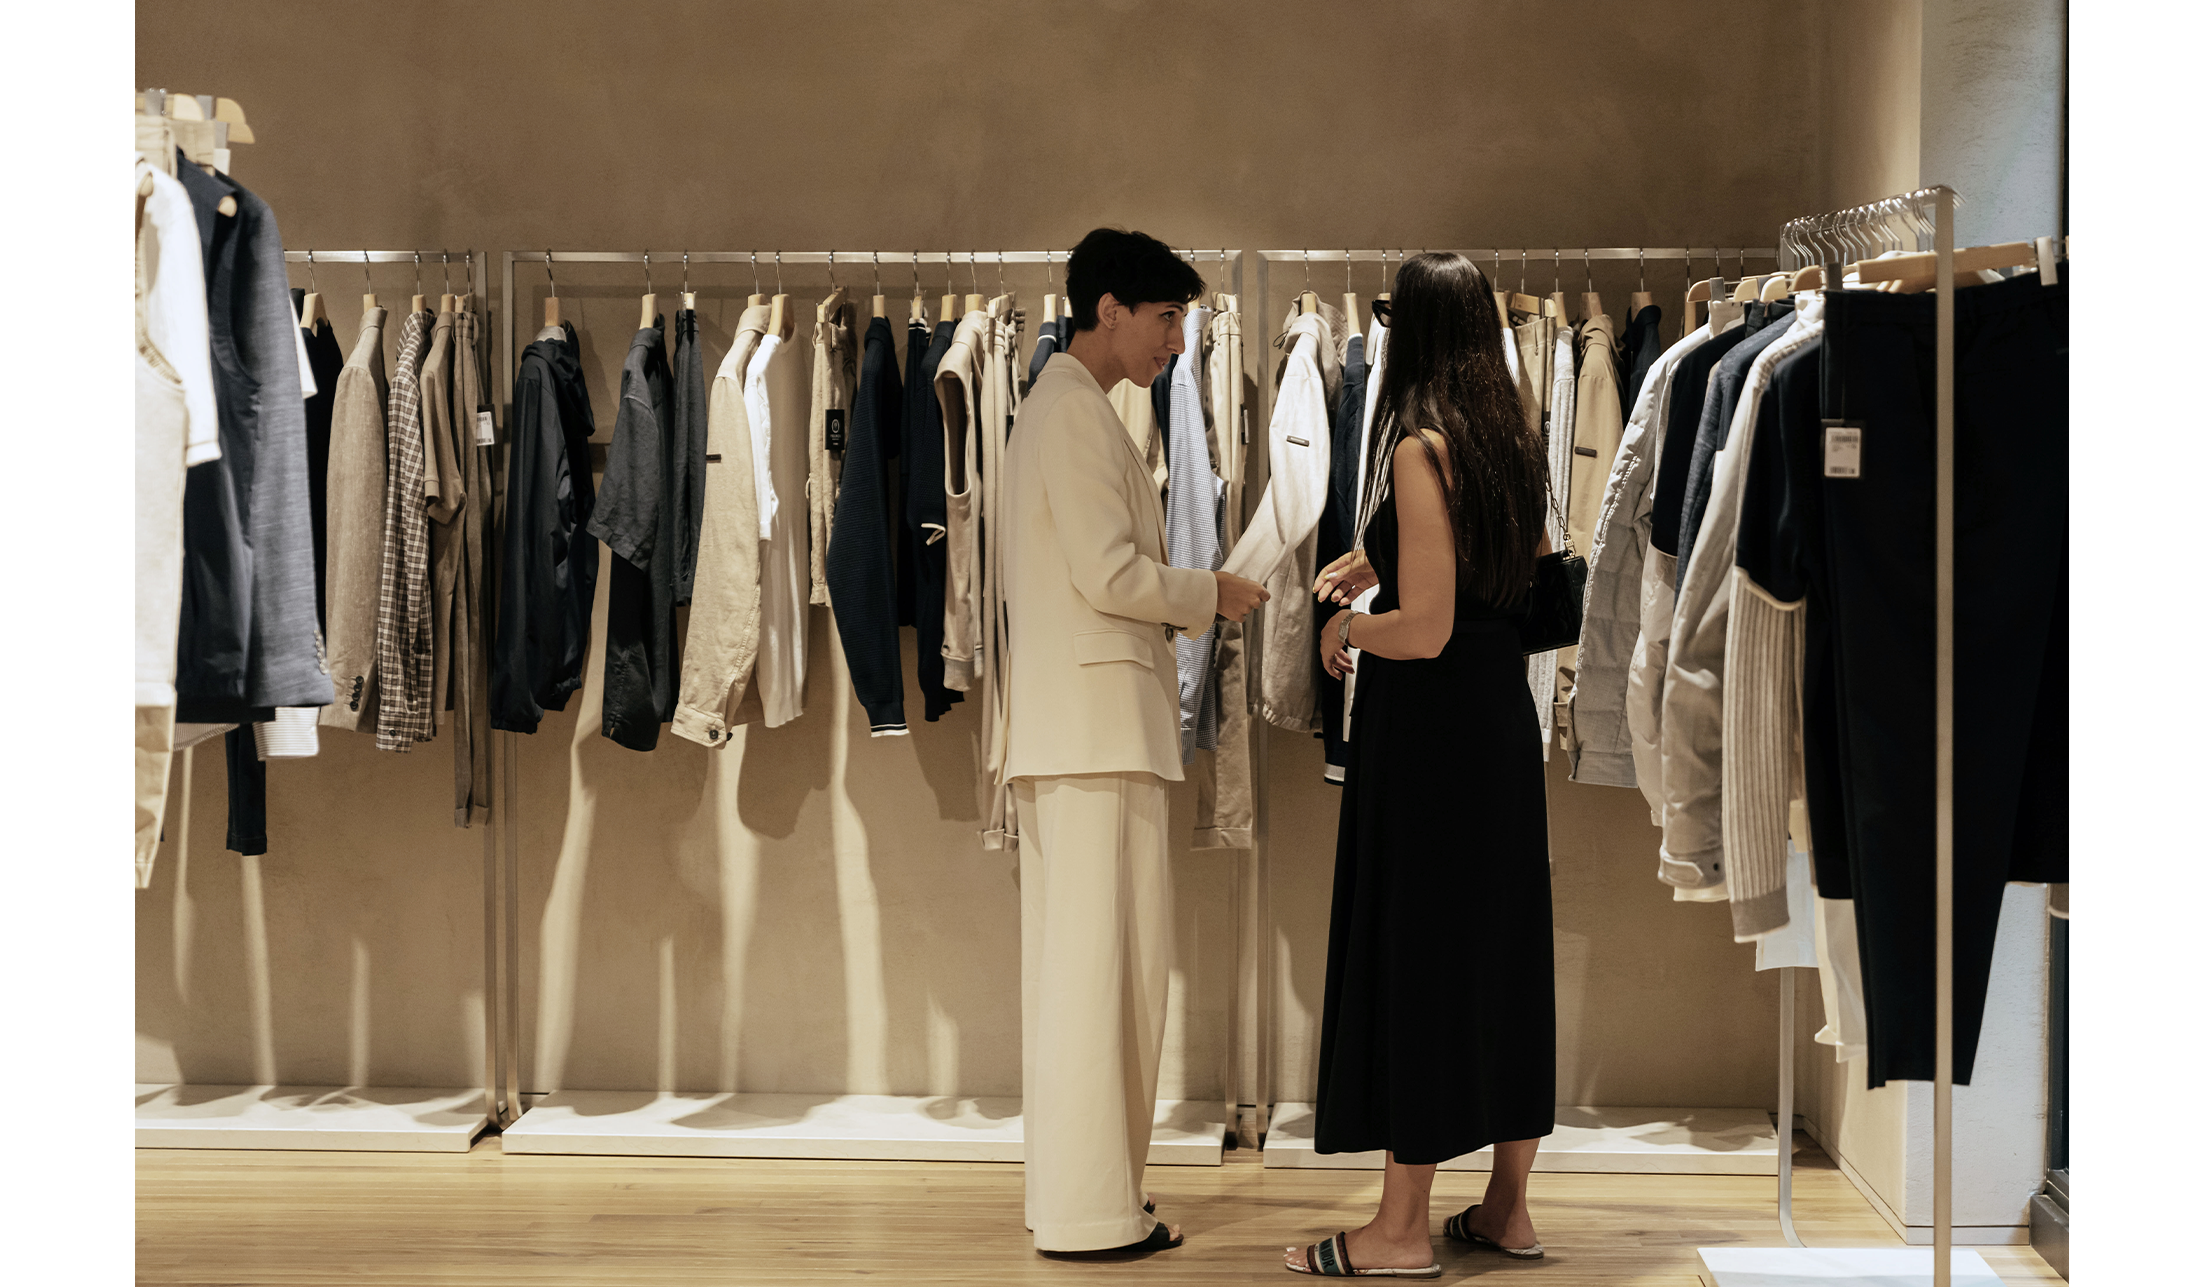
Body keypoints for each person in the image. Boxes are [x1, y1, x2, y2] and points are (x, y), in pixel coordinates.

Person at [1284, 251, 1557, 1278]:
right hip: (1499, 731)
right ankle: (1508, 1212)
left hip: (1433, 738)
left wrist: (1355, 623)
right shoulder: (1509, 436)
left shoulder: (1417, 446)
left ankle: (1398, 1234)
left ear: (1413, 334)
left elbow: (1431, 627)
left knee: (1425, 963)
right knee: (1503, 955)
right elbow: (1504, 579)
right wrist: (1381, 559)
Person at [1002, 227, 1270, 1255]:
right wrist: (1214, 593)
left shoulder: (1076, 408)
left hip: (1089, 734)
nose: (1173, 342)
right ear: (1108, 308)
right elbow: (1111, 577)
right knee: (1096, 983)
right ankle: (1087, 1213)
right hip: (1093, 737)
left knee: (1096, 980)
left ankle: (1091, 1198)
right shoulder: (1072, 412)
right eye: (1165, 320)